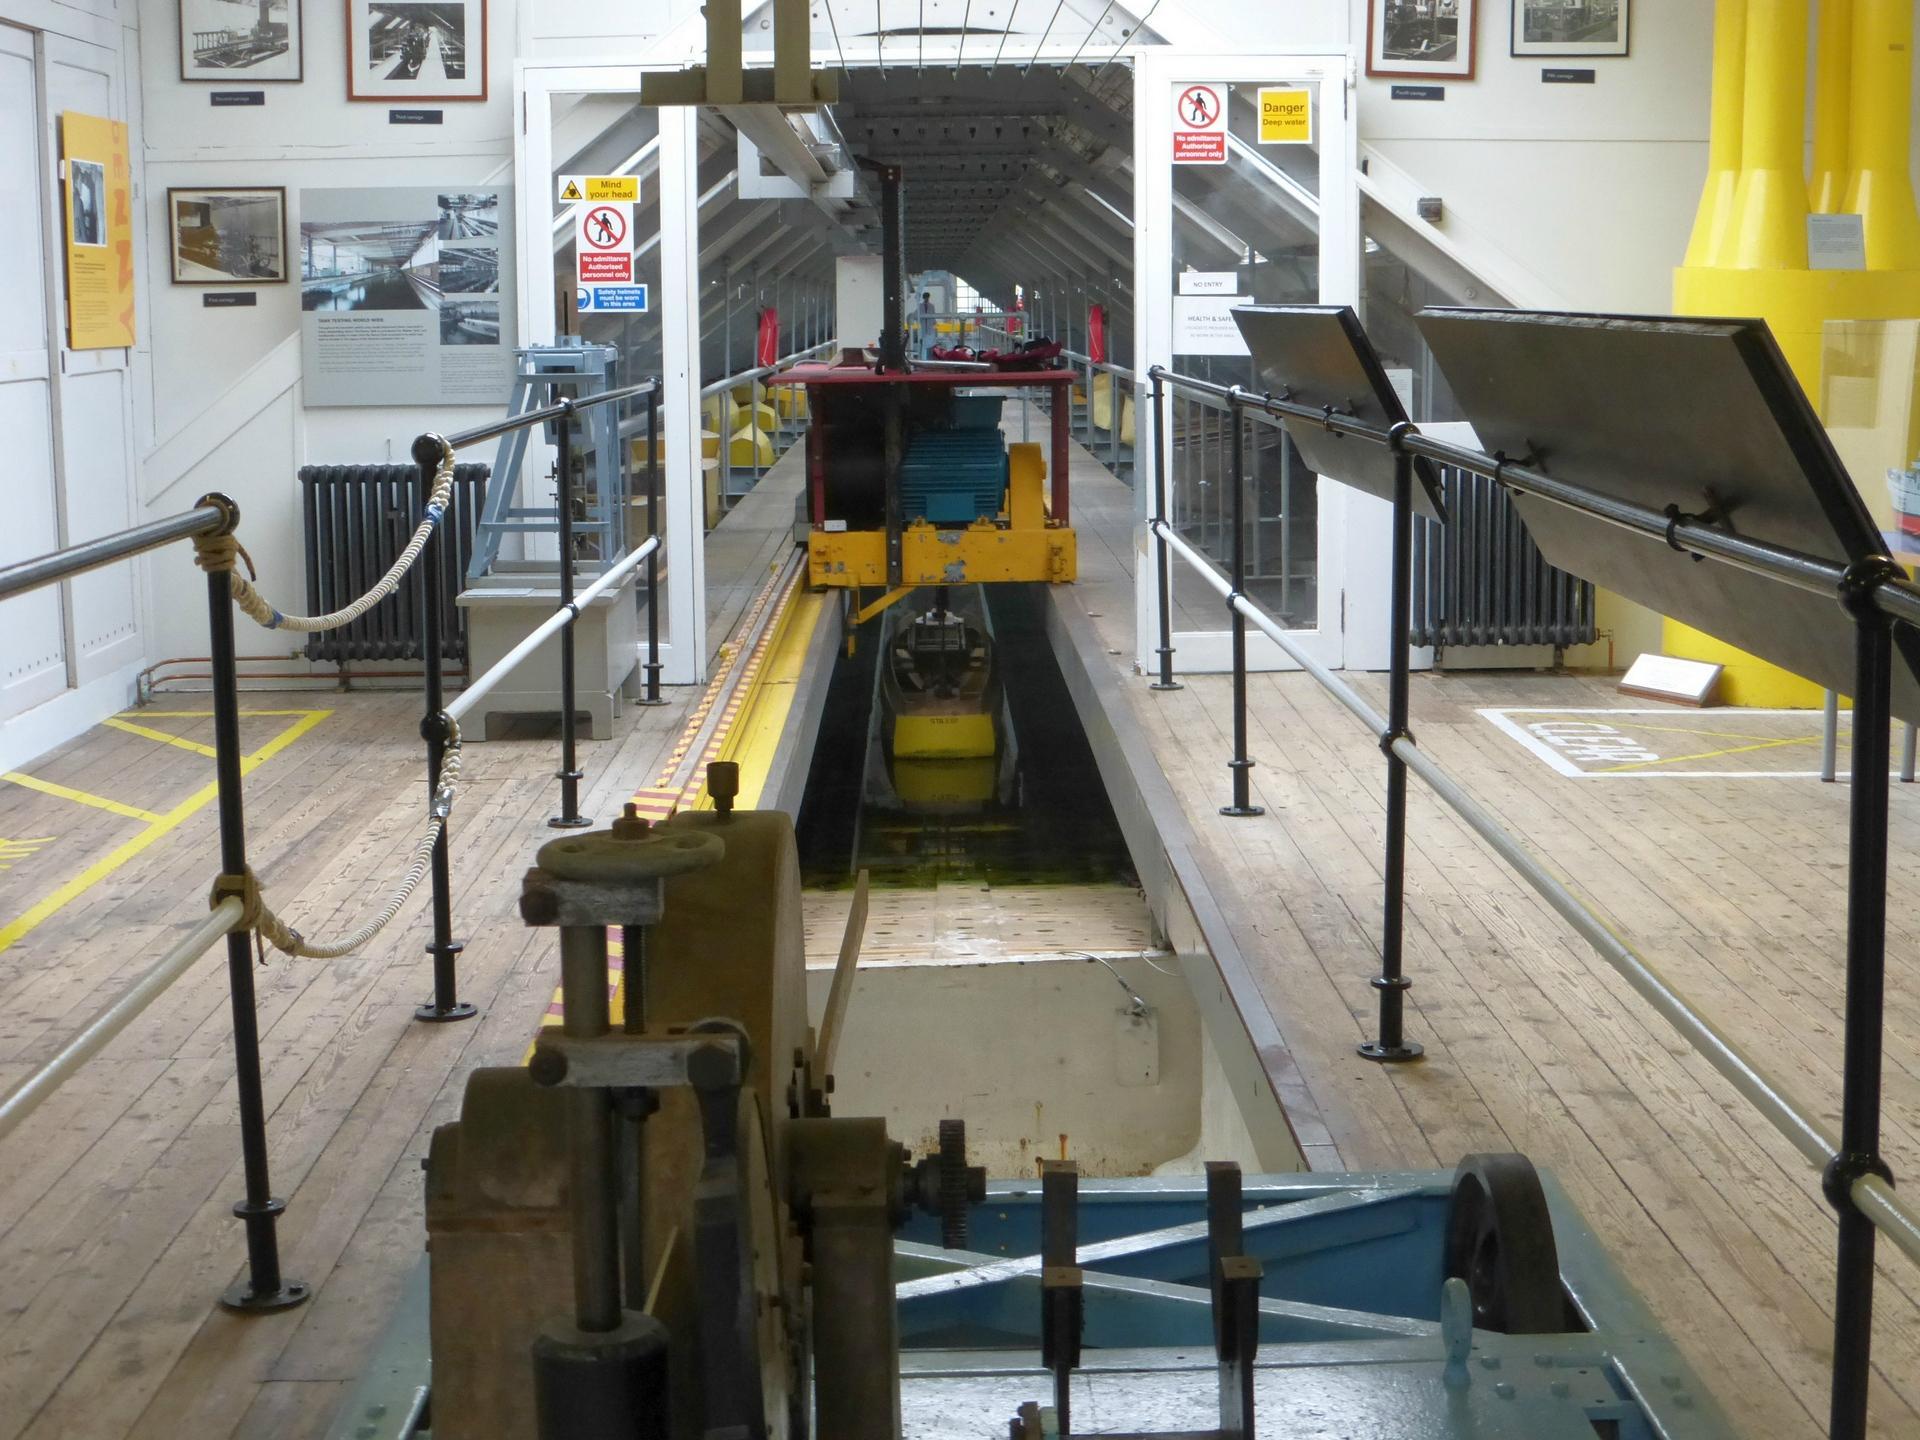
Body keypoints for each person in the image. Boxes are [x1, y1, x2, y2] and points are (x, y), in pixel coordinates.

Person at [917, 290, 935, 360]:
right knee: (923, 344)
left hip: (930, 328)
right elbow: (917, 314)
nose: (926, 299)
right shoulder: (920, 306)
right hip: (923, 327)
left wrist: (935, 325)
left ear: (928, 298)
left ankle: (929, 360)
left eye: (927, 297)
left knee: (930, 345)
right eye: (925, 298)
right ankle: (922, 359)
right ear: (923, 298)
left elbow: (933, 316)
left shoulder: (932, 306)